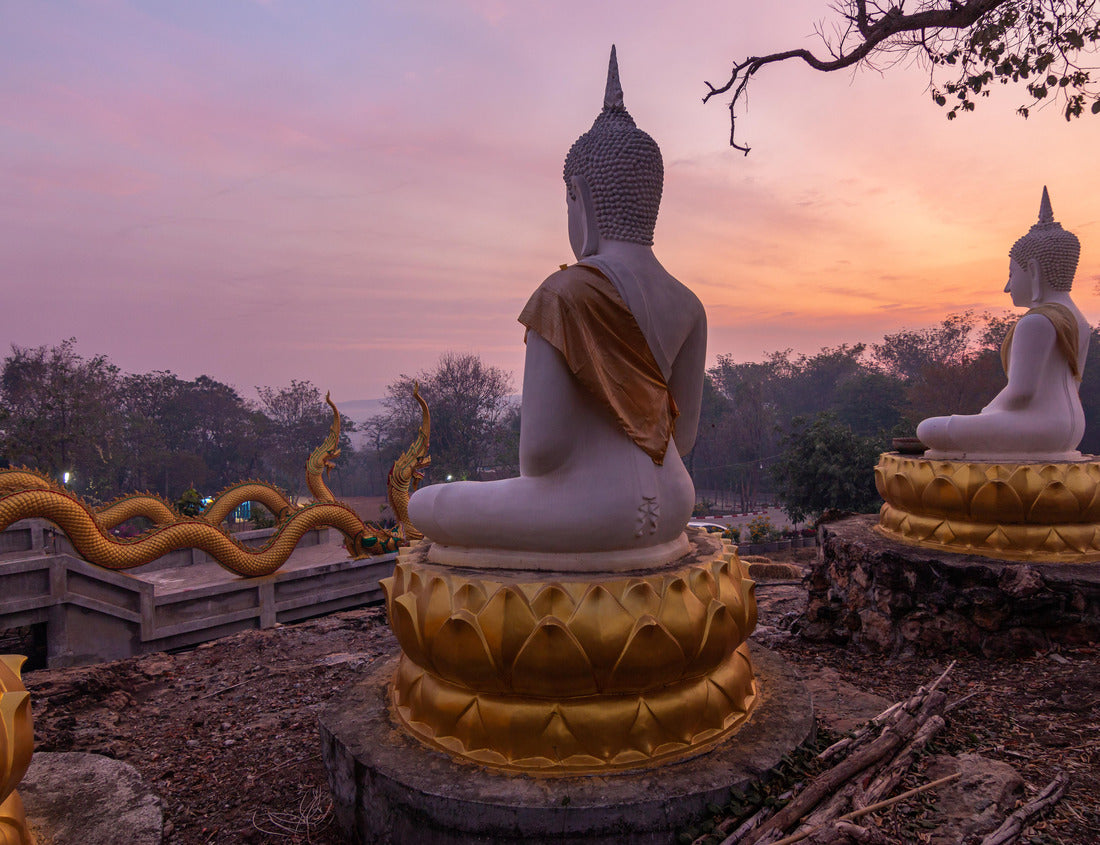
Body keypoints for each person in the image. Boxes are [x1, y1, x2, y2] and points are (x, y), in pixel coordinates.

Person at [409, 47, 707, 563]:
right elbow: (683, 436)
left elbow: (539, 456)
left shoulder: (563, 294)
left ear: (581, 200)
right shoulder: (689, 304)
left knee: (428, 505)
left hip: (588, 512)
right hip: (676, 501)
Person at [917, 188, 1089, 460]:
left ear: (1032, 271)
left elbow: (1021, 393)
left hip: (1036, 428)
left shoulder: (1036, 322)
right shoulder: (1080, 321)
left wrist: (987, 412)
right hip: (1072, 427)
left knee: (929, 429)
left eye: (1012, 274)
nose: (1007, 287)